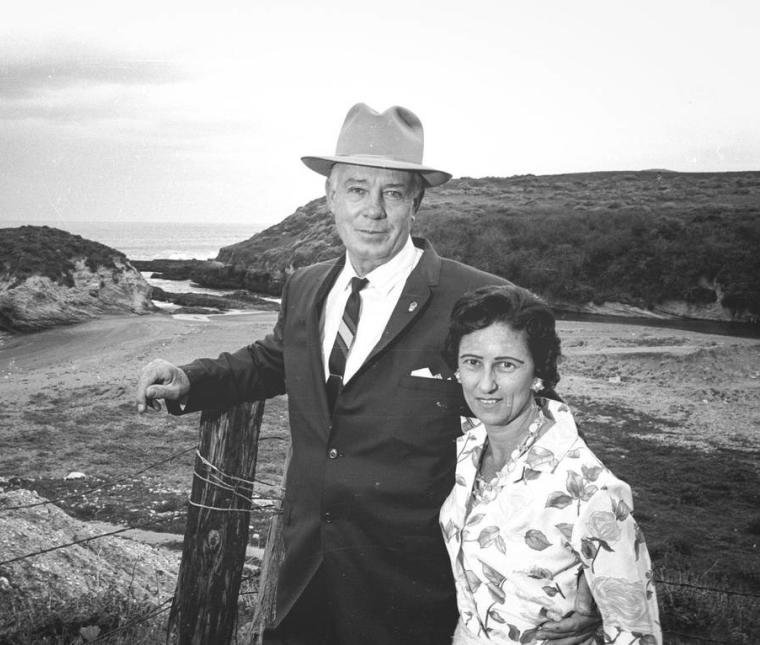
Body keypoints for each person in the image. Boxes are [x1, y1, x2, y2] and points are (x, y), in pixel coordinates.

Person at [136, 103, 598, 644]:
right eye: (356, 189)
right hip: (306, 571)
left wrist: (578, 564)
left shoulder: (475, 300)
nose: (372, 210)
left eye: (392, 193)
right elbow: (273, 360)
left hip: (418, 588)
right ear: (330, 197)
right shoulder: (306, 286)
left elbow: (542, 427)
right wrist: (193, 380)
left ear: (415, 204)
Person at [439, 284, 662, 644]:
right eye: (472, 363)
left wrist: (600, 612)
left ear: (538, 371)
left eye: (506, 365)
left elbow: (636, 634)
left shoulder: (589, 489)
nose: (486, 384)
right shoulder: (469, 447)